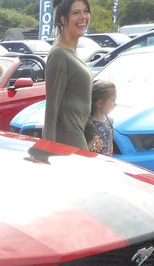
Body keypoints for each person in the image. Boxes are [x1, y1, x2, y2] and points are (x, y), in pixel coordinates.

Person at [43, 0, 93, 149]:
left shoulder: (72, 51)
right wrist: (46, 150)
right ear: (63, 19)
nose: (83, 17)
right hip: (69, 141)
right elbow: (51, 108)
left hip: (79, 134)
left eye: (86, 11)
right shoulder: (59, 54)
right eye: (76, 13)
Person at [85, 80, 116, 155]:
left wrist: (110, 159)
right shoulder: (88, 124)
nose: (115, 104)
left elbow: (110, 142)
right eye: (113, 100)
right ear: (99, 103)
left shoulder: (109, 121)